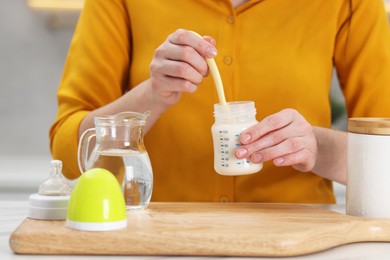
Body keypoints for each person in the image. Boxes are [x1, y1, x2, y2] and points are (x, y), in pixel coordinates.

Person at [50, 0, 390, 203]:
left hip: (298, 241)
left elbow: (386, 164)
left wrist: (317, 146)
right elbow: (69, 154)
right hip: (158, 239)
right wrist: (152, 94)